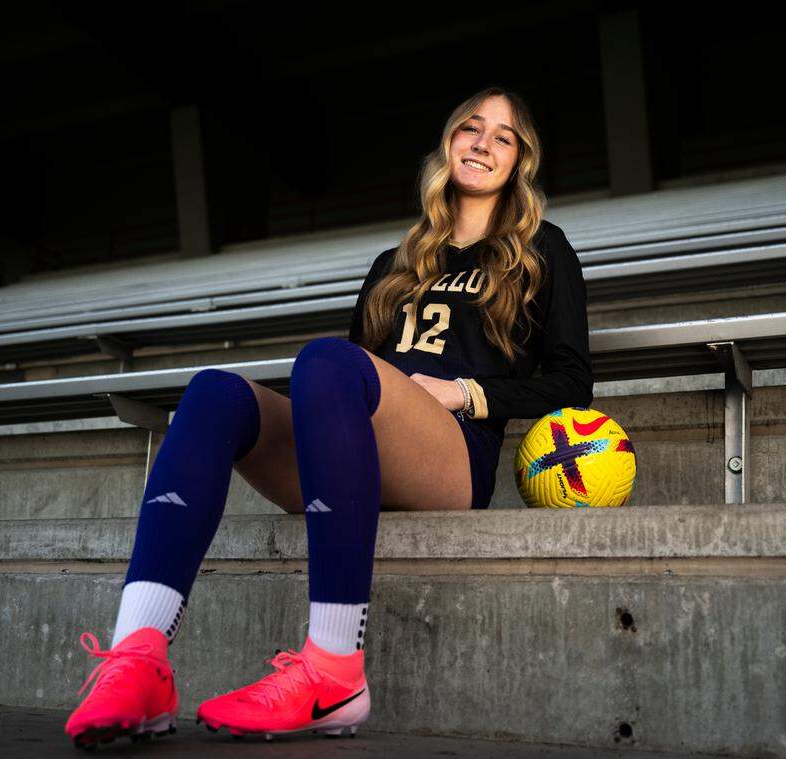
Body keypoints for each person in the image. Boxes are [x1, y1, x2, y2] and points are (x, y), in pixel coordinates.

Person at [63, 85, 593, 748]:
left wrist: (465, 392)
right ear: (448, 143)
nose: (483, 142)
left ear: (520, 161)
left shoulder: (543, 248)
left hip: (452, 455)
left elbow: (574, 381)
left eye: (503, 136)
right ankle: (140, 659)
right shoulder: (393, 264)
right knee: (212, 393)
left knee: (328, 359)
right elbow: (344, 383)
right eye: (469, 127)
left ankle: (335, 671)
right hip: (362, 452)